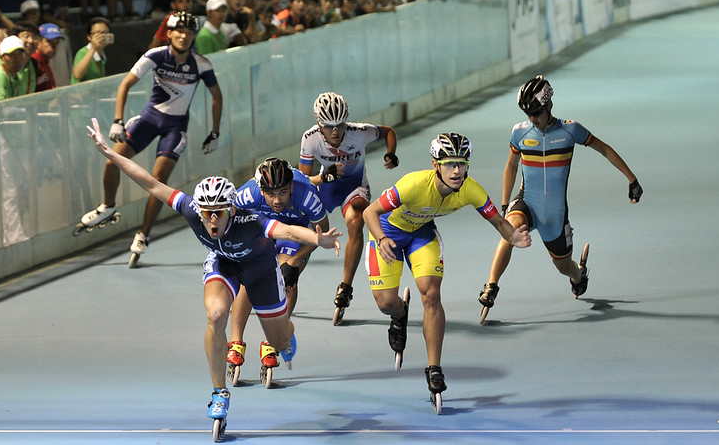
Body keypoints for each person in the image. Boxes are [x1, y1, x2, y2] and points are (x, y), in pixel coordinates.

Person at [84, 117, 341, 430]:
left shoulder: (250, 220)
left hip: (260, 268)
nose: (212, 220)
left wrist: (319, 240)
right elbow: (151, 183)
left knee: (279, 338)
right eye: (207, 214)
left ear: (231, 209)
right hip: (224, 263)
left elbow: (287, 229)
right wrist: (110, 153)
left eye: (219, 213)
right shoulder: (192, 209)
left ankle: (287, 337)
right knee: (216, 314)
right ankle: (219, 392)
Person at [362, 132, 531, 404]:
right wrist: (381, 240)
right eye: (450, 164)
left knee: (431, 295)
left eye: (462, 164)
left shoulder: (470, 189)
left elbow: (498, 221)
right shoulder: (413, 184)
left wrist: (513, 236)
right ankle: (399, 313)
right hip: (387, 232)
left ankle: (434, 368)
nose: (457, 170)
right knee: (385, 303)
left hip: (422, 234)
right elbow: (369, 212)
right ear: (435, 165)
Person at [477, 75, 643, 317]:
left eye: (536, 113)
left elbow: (604, 148)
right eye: (528, 114)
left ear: (549, 106)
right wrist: (505, 204)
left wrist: (632, 179)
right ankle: (491, 285)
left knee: (563, 267)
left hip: (555, 215)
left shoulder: (570, 130)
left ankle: (578, 274)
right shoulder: (519, 133)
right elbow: (511, 166)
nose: (532, 119)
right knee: (510, 230)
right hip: (527, 203)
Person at [79, 12, 224, 266]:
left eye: (189, 33)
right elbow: (125, 84)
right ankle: (108, 205)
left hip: (175, 128)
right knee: (112, 160)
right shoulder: (155, 55)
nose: (183, 36)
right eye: (179, 31)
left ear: (192, 37)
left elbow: (217, 96)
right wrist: (118, 120)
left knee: (158, 183)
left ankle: (144, 235)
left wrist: (215, 132)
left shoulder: (201, 64)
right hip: (148, 120)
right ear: (169, 34)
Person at [298, 91, 399, 325]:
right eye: (328, 126)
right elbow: (302, 181)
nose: (335, 131)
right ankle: (290, 271)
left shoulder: (359, 132)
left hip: (355, 187)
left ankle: (345, 286)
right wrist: (324, 177)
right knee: (306, 229)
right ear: (318, 124)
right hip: (326, 188)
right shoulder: (310, 138)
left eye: (339, 125)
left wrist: (391, 153)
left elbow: (389, 131)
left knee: (356, 219)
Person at [226, 157, 330, 373]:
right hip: (261, 228)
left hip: (297, 232)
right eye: (271, 194)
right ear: (261, 190)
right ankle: (236, 343)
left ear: (291, 186)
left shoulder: (308, 196)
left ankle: (274, 340)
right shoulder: (247, 194)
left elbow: (321, 236)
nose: (276, 200)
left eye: (283, 192)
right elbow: (229, 224)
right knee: (249, 278)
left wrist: (294, 261)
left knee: (285, 279)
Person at [0, 36, 30, 250]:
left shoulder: (3, 70)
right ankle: (14, 237)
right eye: (15, 54)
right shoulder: (0, 75)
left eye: (21, 53)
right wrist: (22, 109)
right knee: (8, 186)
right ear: (4, 57)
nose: (20, 58)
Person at [71, 17, 112, 84]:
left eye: (105, 32)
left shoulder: (102, 56)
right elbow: (77, 75)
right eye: (98, 33)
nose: (102, 36)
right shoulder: (83, 52)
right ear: (89, 37)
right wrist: (93, 48)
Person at [32, 23, 64, 92]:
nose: (53, 46)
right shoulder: (33, 61)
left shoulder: (46, 60)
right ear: (38, 42)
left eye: (57, 42)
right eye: (49, 42)